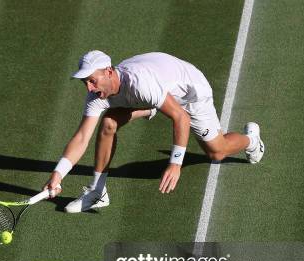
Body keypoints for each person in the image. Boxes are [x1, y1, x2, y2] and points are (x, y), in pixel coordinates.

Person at [43, 50, 264, 213]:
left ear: (109, 72)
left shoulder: (141, 83)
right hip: (154, 93)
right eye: (85, 82)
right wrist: (58, 173)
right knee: (109, 122)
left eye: (92, 80)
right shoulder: (97, 95)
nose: (89, 88)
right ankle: (97, 192)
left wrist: (175, 164)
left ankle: (252, 140)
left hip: (189, 91)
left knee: (217, 151)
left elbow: (181, 117)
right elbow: (82, 137)